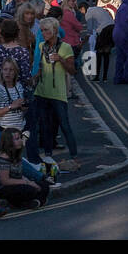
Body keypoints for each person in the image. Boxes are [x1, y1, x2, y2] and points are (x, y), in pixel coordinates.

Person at [33, 17, 79, 171]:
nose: (43, 33)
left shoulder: (65, 47)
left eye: (46, 30)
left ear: (54, 31)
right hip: (42, 92)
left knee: (65, 125)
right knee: (45, 127)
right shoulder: (41, 46)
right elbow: (40, 67)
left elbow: (73, 71)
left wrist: (61, 60)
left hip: (58, 93)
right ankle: (48, 157)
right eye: (42, 30)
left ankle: (74, 156)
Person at [0, 128, 50, 209]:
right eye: (17, 139)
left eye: (20, 138)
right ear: (8, 141)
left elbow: (18, 175)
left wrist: (30, 182)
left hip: (13, 183)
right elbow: (5, 181)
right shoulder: (3, 156)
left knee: (44, 185)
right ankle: (32, 202)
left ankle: (33, 202)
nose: (21, 140)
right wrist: (27, 183)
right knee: (29, 190)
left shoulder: (15, 153)